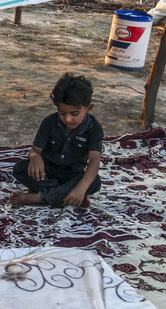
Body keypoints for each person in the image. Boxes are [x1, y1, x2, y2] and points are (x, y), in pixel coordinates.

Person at [10, 72, 102, 207]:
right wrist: (35, 157)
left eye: (74, 114)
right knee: (20, 168)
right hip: (46, 174)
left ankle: (37, 198)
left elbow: (94, 160)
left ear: (89, 108)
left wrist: (81, 188)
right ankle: (66, 196)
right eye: (62, 113)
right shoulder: (49, 122)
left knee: (94, 181)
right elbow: (34, 151)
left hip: (72, 175)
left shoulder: (95, 128)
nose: (67, 119)